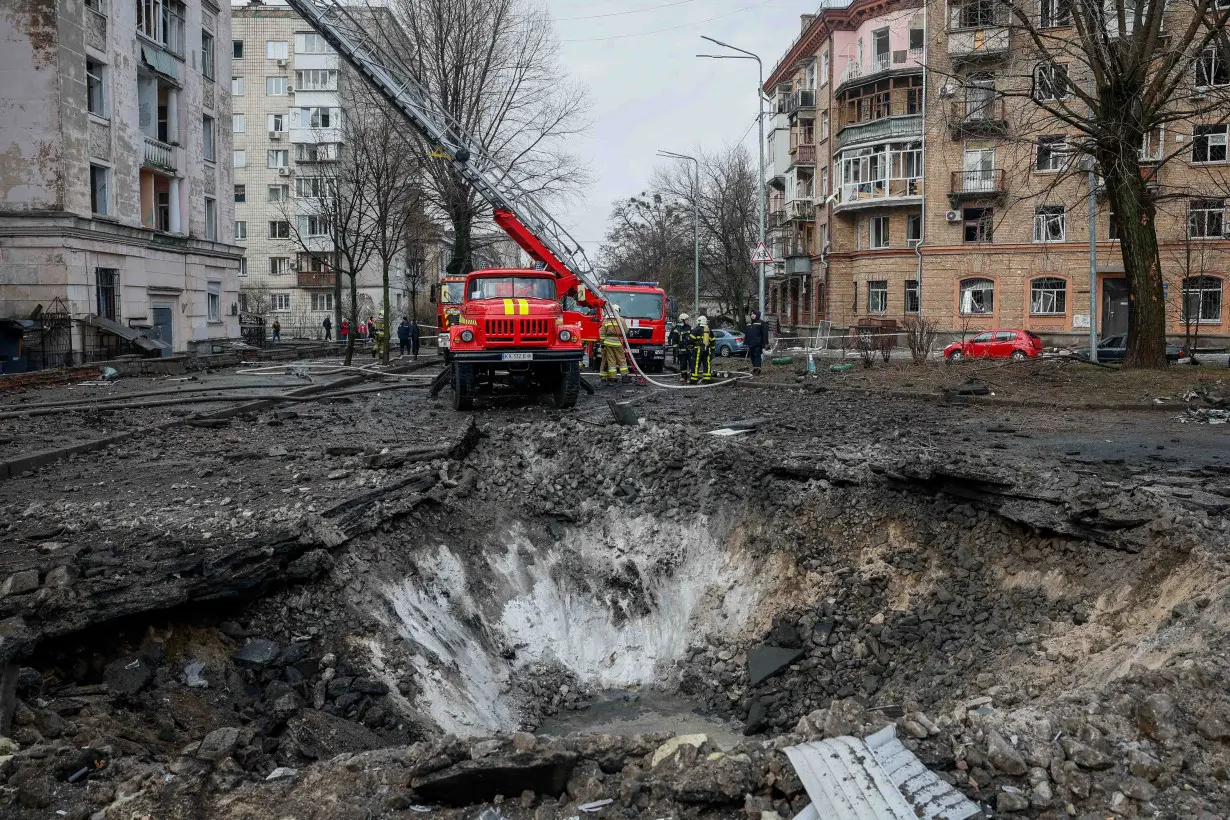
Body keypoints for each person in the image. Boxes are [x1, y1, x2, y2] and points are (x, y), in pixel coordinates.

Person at [599, 305, 630, 384]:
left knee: (611, 360)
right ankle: (625, 376)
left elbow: (602, 332)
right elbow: (626, 331)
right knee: (621, 359)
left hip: (608, 343)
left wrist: (602, 343)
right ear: (618, 311)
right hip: (618, 342)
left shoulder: (606, 320)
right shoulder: (621, 320)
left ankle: (613, 378)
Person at [689, 315, 716, 384]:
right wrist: (712, 351)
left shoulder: (695, 330)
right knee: (707, 364)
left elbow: (691, 340)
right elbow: (713, 342)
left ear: (699, 322)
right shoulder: (709, 331)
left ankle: (694, 380)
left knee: (696, 364)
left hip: (698, 350)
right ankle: (707, 379)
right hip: (707, 350)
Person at [745, 309, 769, 376]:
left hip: (758, 343)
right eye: (751, 314)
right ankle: (754, 368)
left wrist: (765, 343)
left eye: (754, 314)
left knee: (757, 356)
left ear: (757, 315)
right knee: (752, 357)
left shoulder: (761, 323)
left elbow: (765, 334)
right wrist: (746, 342)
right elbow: (747, 333)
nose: (752, 315)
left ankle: (758, 369)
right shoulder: (749, 324)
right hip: (750, 344)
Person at [674, 314, 693, 382]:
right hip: (681, 351)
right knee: (683, 365)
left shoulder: (690, 328)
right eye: (686, 319)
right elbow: (675, 341)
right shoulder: (677, 329)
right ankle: (683, 377)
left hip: (689, 350)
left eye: (687, 319)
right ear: (682, 320)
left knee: (691, 364)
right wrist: (676, 350)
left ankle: (691, 377)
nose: (687, 321)